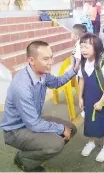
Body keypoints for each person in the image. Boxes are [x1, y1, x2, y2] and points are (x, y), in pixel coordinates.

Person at [0, 41, 78, 172]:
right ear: (31, 60)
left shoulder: (42, 73)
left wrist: (74, 71)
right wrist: (60, 128)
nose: (51, 62)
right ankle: (24, 159)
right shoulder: (22, 86)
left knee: (71, 129)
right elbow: (34, 124)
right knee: (57, 143)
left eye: (51, 57)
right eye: (46, 58)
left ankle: (39, 150)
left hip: (32, 121)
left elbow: (56, 82)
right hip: (16, 131)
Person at [78, 34, 104, 162]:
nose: (83, 50)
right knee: (89, 121)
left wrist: (101, 101)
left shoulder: (102, 64)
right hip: (88, 99)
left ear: (97, 48)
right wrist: (80, 98)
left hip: (102, 101)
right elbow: (81, 80)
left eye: (86, 47)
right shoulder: (83, 63)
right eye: (81, 46)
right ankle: (91, 142)